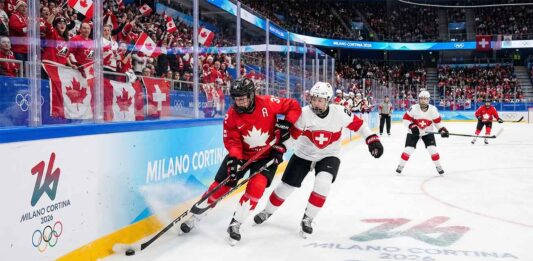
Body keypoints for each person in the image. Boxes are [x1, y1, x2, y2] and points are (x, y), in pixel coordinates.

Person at [179, 78, 302, 245]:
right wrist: (235, 160)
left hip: (267, 155)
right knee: (220, 186)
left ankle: (236, 223)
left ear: (251, 95)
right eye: (236, 99)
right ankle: (197, 216)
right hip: (243, 154)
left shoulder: (267, 102)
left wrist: (287, 123)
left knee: (257, 187)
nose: (240, 102)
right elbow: (232, 141)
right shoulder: (231, 115)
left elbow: (294, 105)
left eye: (243, 98)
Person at [253, 82, 383, 238]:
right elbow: (293, 137)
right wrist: (281, 149)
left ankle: (308, 218)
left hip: (329, 155)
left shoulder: (340, 112)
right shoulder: (303, 114)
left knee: (323, 183)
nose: (316, 103)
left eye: (320, 100)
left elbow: (360, 126)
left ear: (328, 100)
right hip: (303, 155)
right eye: (314, 99)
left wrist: (372, 139)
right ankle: (267, 211)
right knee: (285, 187)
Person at [396, 90, 449, 175]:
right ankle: (401, 165)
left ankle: (438, 166)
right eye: (421, 99)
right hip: (413, 132)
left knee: (433, 150)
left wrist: (442, 130)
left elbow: (437, 123)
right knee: (408, 150)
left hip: (427, 132)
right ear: (419, 99)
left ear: (428, 100)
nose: (423, 100)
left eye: (425, 99)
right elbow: (405, 120)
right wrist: (412, 126)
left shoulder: (433, 110)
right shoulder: (413, 108)